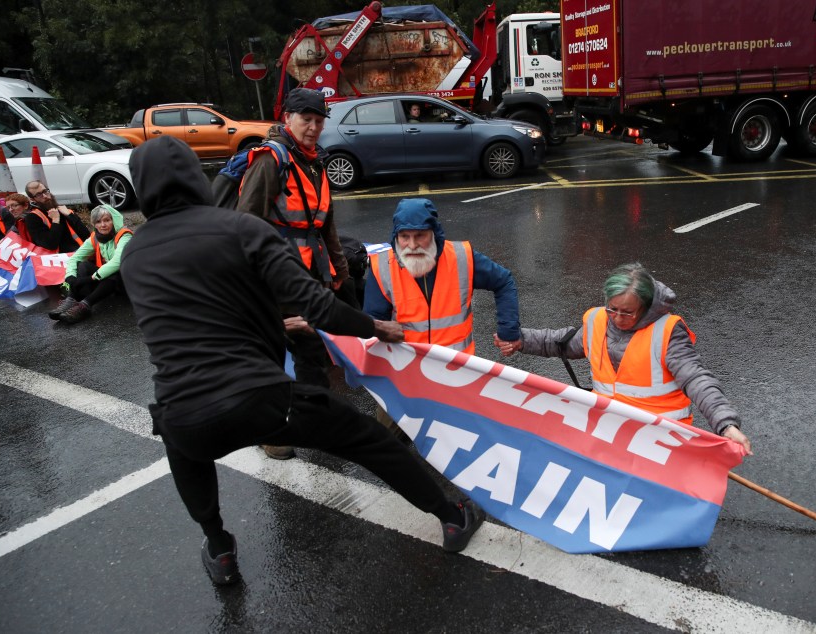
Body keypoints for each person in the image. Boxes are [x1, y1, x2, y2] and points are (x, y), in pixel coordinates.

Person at [119, 136, 485, 586]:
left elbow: (195, 320)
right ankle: (451, 516)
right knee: (367, 437)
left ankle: (220, 549)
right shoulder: (241, 229)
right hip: (260, 397)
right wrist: (376, 327)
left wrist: (272, 325)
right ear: (197, 178)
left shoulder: (134, 252)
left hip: (182, 411)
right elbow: (317, 304)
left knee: (185, 449)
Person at [496, 262, 752, 454]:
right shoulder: (598, 320)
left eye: (627, 312)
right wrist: (522, 340)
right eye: (612, 309)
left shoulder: (667, 333)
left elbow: (697, 379)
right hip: (609, 434)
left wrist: (725, 424)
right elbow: (563, 343)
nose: (617, 318)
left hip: (659, 440)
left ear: (647, 307)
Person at [236, 87, 354, 461]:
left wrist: (340, 269)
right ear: (288, 118)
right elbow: (246, 223)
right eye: (307, 119)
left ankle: (314, 419)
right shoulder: (270, 161)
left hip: (307, 275)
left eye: (319, 121)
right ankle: (269, 432)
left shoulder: (314, 161)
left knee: (311, 349)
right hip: (274, 278)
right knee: (271, 354)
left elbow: (325, 222)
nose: (314, 127)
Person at [363, 198, 522, 436]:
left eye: (420, 236)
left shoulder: (461, 257)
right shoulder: (381, 267)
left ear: (434, 233)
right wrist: (380, 330)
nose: (412, 245)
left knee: (462, 440)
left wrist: (509, 331)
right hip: (404, 375)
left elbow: (503, 281)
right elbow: (370, 323)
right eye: (404, 237)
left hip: (457, 375)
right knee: (387, 441)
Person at [49, 204, 132, 324]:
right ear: (94, 224)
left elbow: (117, 262)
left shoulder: (124, 235)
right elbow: (75, 258)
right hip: (107, 281)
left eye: (107, 220)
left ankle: (85, 305)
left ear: (114, 220)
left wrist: (92, 278)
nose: (102, 225)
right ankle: (71, 299)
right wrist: (70, 277)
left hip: (126, 281)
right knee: (83, 265)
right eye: (98, 222)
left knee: (113, 272)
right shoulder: (95, 237)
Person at [23, 180, 90, 253]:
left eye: (45, 191)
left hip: (81, 252)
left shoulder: (63, 210)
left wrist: (71, 216)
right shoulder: (32, 218)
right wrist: (55, 220)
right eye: (39, 195)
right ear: (33, 199)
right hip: (59, 259)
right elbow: (50, 245)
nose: (45, 196)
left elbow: (87, 235)